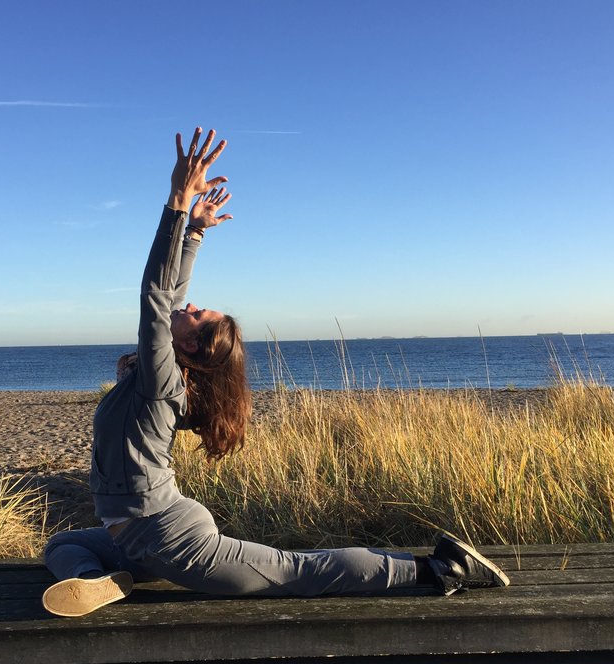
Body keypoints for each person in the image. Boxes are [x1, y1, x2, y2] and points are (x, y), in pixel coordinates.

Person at [42, 127, 509, 617]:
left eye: (198, 315)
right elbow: (173, 297)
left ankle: (436, 568)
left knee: (294, 570)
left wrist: (178, 200)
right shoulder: (165, 369)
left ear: (189, 347)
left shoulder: (162, 381)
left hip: (171, 536)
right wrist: (195, 233)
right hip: (131, 538)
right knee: (61, 545)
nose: (192, 304)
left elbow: (158, 298)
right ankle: (100, 582)